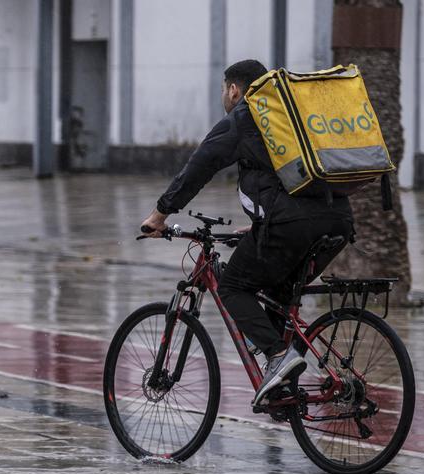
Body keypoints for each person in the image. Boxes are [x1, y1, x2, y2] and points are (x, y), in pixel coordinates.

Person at [140, 59, 354, 407]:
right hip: (339, 219)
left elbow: (201, 164)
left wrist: (160, 213)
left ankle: (277, 357)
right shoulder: (292, 115)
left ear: (234, 89)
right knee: (277, 293)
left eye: (224, 90)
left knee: (233, 286)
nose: (224, 96)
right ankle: (285, 386)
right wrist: (262, 223)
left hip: (290, 225)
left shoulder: (244, 117)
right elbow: (288, 178)